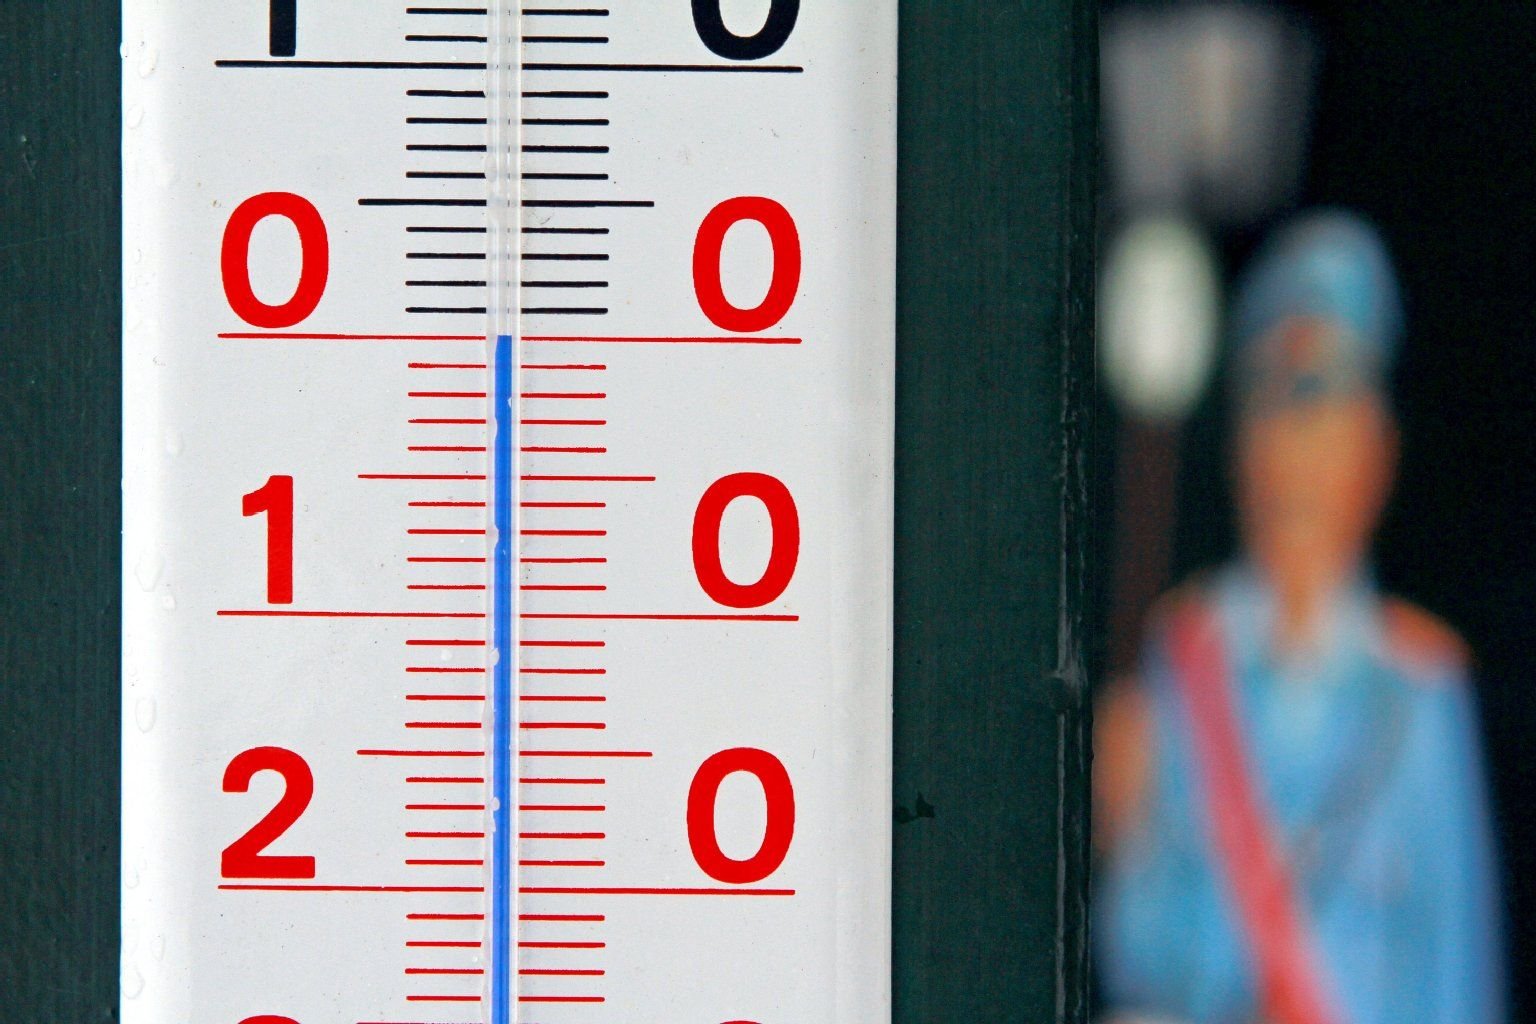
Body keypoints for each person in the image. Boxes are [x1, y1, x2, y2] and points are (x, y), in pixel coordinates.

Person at [1094, 211, 1504, 1024]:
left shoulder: (1420, 690)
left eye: (1324, 421)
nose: (1297, 464)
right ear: (1242, 457)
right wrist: (1120, 822)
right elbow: (1134, 953)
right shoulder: (1186, 660)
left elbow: (1456, 970)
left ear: (1376, 454)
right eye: (1275, 421)